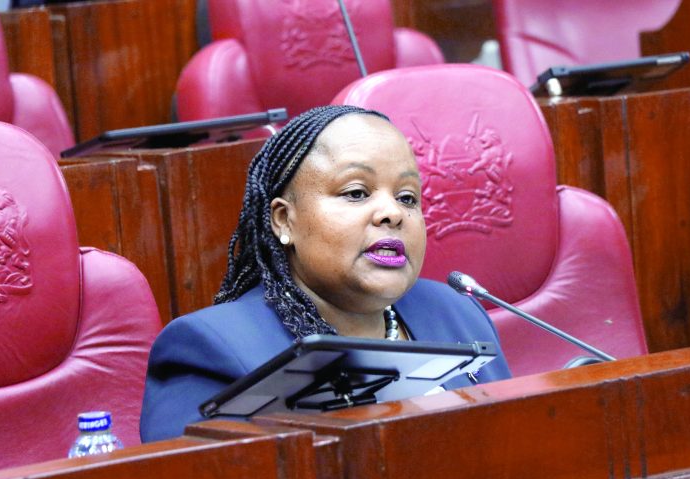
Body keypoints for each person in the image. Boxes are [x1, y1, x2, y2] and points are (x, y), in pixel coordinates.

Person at [140, 105, 511, 442]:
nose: (392, 213)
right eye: (355, 193)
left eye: (407, 197)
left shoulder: (457, 313)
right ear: (285, 220)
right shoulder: (211, 348)